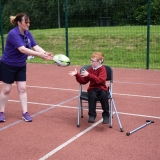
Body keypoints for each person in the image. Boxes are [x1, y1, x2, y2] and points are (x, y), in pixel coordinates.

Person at [0, 13, 53, 122]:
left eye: (29, 22)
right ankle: (1, 112)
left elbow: (35, 46)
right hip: (8, 65)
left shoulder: (27, 33)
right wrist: (40, 55)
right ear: (19, 23)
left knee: (22, 89)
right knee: (6, 90)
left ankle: (25, 112)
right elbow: (23, 49)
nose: (28, 24)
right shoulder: (13, 34)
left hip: (21, 65)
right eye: (26, 22)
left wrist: (45, 53)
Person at [69, 52, 110, 124]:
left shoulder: (102, 69)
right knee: (92, 96)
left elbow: (100, 80)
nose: (91, 62)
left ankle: (106, 115)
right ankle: (92, 115)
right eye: (91, 60)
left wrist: (89, 75)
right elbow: (83, 81)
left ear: (99, 62)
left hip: (102, 88)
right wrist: (77, 75)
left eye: (93, 61)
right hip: (92, 88)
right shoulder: (90, 70)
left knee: (104, 95)